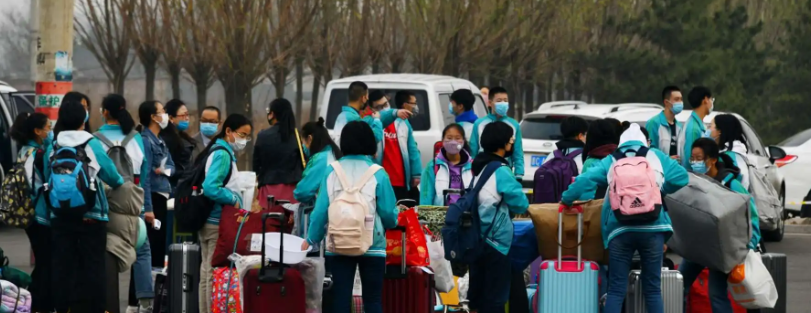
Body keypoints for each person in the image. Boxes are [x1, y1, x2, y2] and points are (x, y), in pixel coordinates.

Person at [559, 124, 689, 313]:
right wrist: (658, 191)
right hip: (653, 229)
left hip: (620, 229)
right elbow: (682, 178)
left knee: (617, 289)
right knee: (652, 289)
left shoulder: (612, 159)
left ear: (621, 142)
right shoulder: (655, 156)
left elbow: (585, 180)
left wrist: (567, 199)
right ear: (644, 142)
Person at [301, 121, 398, 313]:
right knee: (373, 300)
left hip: (338, 244)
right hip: (373, 244)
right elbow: (388, 213)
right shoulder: (378, 173)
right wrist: (391, 223)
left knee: (340, 300)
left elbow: (320, 211)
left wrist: (312, 239)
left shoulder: (332, 171)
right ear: (370, 143)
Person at [47, 100, 125, 313]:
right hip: (92, 214)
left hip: (60, 215)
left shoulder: (53, 144)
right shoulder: (91, 143)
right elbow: (112, 175)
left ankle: (63, 308)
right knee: (94, 267)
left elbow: (48, 178)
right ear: (84, 119)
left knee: (63, 267)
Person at [680, 138, 760, 313]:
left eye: (699, 158)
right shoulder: (692, 181)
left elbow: (751, 217)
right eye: (692, 158)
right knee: (679, 285)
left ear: (713, 160)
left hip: (721, 249)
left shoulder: (732, 186)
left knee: (716, 294)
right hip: (697, 247)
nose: (695, 162)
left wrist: (750, 244)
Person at [95, 94, 155, 313]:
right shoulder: (137, 138)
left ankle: (107, 304)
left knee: (105, 251)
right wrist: (145, 206)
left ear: (105, 112)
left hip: (106, 205)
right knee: (142, 250)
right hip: (133, 204)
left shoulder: (95, 139)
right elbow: (144, 175)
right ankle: (146, 301)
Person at [467, 122, 528, 313]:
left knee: (479, 294)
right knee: (495, 298)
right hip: (496, 242)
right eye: (510, 139)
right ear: (503, 143)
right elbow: (520, 203)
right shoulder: (500, 170)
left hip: (477, 238)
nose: (512, 142)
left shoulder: (480, 166)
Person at [198, 114, 251, 313]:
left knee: (206, 272)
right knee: (211, 273)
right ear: (228, 131)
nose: (244, 140)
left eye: (247, 136)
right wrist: (234, 199)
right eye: (241, 134)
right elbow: (211, 187)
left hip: (209, 220)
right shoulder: (222, 154)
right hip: (215, 221)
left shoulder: (218, 151)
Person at [10, 112, 52, 312]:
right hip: (40, 217)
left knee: (44, 262)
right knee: (46, 264)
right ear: (37, 131)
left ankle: (34, 303)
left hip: (29, 215)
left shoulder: (23, 152)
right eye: (47, 128)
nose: (50, 132)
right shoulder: (37, 155)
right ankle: (34, 304)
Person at [138, 100, 176, 271]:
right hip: (153, 197)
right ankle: (147, 291)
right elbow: (144, 177)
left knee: (159, 246)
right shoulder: (146, 141)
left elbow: (173, 167)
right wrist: (147, 208)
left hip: (163, 195)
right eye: (162, 111)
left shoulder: (160, 140)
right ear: (153, 117)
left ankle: (155, 288)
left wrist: (164, 170)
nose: (165, 115)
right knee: (153, 246)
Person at [254, 98, 304, 209]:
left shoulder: (263, 136)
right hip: (292, 190)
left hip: (268, 189)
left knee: (269, 223)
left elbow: (256, 166)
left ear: (273, 114)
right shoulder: (297, 136)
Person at [332, 81, 411, 146]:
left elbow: (373, 120)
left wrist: (395, 113)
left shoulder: (345, 116)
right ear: (363, 98)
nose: (367, 100)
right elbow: (374, 137)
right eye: (367, 97)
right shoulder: (354, 120)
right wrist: (377, 120)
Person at [469, 86, 524, 180]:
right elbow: (473, 151)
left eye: (505, 100)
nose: (503, 103)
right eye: (499, 101)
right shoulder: (479, 124)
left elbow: (518, 152)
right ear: (490, 103)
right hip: (482, 170)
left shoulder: (514, 125)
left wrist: (519, 174)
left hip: (505, 170)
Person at [378, 90, 422, 200]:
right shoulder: (376, 122)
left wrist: (416, 173)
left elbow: (412, 149)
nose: (416, 106)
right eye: (414, 103)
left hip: (401, 180)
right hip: (382, 179)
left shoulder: (404, 123)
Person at [419, 123, 473, 206]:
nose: (453, 142)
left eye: (457, 138)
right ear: (443, 140)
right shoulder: (432, 166)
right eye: (449, 138)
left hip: (466, 216)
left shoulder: (473, 166)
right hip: (441, 216)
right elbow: (426, 199)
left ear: (463, 141)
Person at [293, 117, 343, 203]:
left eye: (303, 142)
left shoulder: (321, 159)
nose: (303, 146)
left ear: (309, 139)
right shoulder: (333, 153)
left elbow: (302, 192)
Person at [161, 99, 197, 188]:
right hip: (176, 187)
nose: (187, 118)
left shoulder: (184, 137)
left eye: (187, 114)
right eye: (183, 115)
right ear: (171, 118)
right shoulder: (166, 140)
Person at [709, 114, 750, 189]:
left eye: (710, 126)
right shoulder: (738, 153)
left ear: (719, 131)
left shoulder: (727, 158)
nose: (708, 130)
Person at [678, 86, 713, 169]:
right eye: (711, 99)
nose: (712, 103)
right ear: (705, 100)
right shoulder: (693, 128)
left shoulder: (698, 124)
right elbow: (690, 159)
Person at [646, 86, 684, 158]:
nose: (680, 102)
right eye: (676, 99)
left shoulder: (679, 126)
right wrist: (667, 160)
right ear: (666, 102)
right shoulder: (653, 123)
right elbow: (649, 152)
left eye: (681, 99)